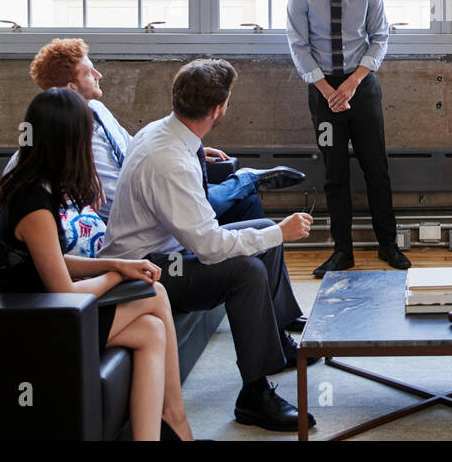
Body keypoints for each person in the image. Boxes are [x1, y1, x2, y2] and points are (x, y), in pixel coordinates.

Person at [100, 58, 316, 433]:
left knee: (262, 230)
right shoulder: (171, 161)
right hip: (147, 271)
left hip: (165, 253)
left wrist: (271, 232)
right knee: (247, 268)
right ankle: (254, 395)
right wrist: (281, 233)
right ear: (218, 109)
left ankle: (275, 344)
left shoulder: (162, 132)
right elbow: (211, 248)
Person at [0, 87, 196, 441]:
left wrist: (117, 264)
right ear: (67, 140)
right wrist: (115, 274)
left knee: (151, 331)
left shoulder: (32, 181)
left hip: (40, 308)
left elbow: (52, 259)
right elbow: (64, 290)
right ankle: (176, 421)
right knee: (154, 293)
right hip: (29, 324)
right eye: (85, 134)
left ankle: (160, 430)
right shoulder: (34, 202)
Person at [16, 38, 301, 226]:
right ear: (71, 88)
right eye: (90, 73)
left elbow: (134, 149)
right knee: (229, 194)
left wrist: (191, 149)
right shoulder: (77, 140)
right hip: (141, 214)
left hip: (152, 192)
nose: (99, 75)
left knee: (245, 204)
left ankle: (279, 314)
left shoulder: (98, 110)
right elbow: (116, 204)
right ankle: (246, 179)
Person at [286, 0, 410, 277]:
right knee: (334, 172)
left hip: (363, 87)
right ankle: (343, 252)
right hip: (323, 93)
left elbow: (379, 38)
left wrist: (353, 84)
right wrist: (329, 93)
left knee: (377, 168)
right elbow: (299, 48)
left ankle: (388, 245)